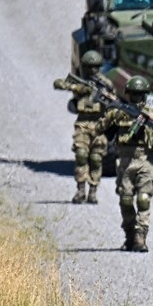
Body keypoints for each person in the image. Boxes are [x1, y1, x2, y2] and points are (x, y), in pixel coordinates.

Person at [99, 75, 153, 252]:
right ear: (128, 94)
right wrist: (110, 111)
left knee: (143, 199)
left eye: (140, 94)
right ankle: (129, 235)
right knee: (126, 200)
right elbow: (100, 127)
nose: (136, 97)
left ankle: (140, 236)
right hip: (125, 161)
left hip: (145, 160)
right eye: (133, 94)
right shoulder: (119, 112)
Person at [52, 49, 114, 204]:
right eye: (89, 67)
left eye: (95, 67)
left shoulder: (105, 84)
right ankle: (80, 191)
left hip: (98, 125)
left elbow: (114, 99)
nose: (92, 70)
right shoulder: (80, 82)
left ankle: (93, 191)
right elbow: (58, 83)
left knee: (96, 158)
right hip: (82, 123)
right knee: (81, 155)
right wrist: (79, 88)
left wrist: (106, 96)